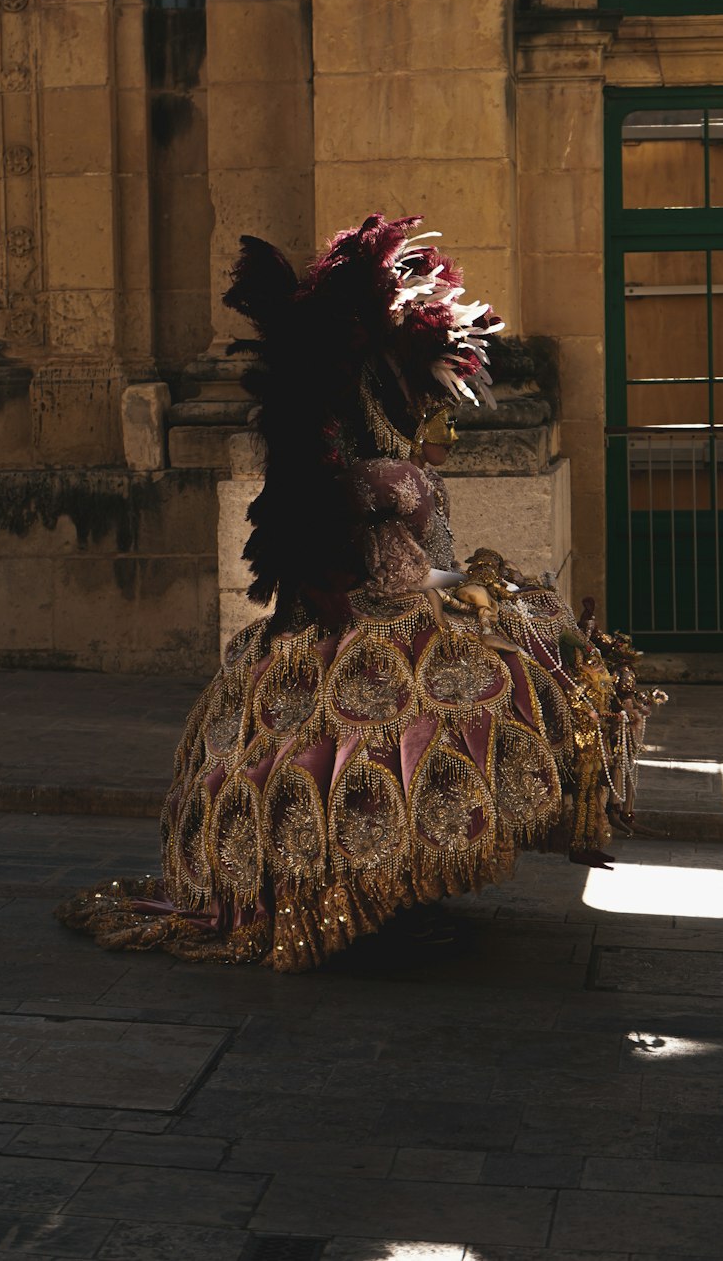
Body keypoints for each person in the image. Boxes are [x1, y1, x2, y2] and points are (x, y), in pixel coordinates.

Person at [57, 215, 662, 971]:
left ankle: (402, 884)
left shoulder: (380, 453)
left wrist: (469, 581)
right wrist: (462, 585)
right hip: (366, 622)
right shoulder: (371, 468)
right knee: (404, 734)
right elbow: (391, 568)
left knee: (520, 657)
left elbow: (415, 553)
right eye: (428, 396)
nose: (440, 413)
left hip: (394, 605)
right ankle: (367, 891)